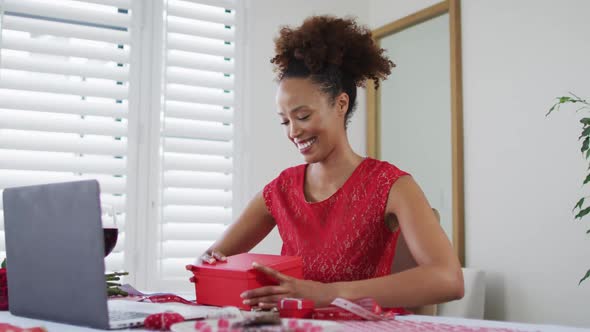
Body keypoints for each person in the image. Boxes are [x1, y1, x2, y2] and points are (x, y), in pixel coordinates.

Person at [198, 15, 464, 310]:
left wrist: (325, 293)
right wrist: (212, 265)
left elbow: (448, 279)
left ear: (341, 104)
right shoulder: (281, 190)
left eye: (303, 116)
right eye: (284, 121)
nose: (293, 131)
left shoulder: (392, 186)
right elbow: (211, 258)